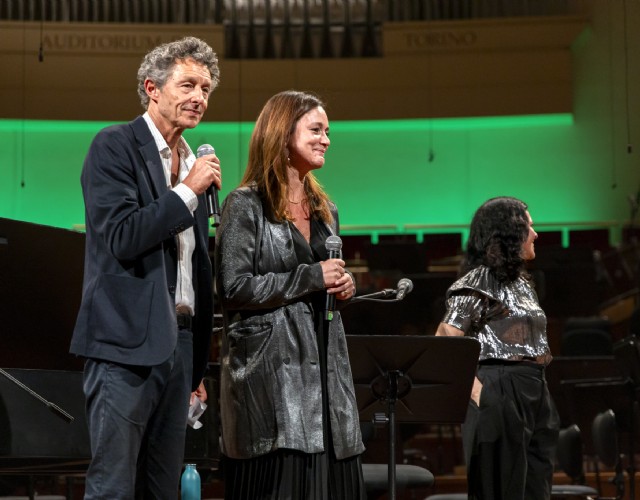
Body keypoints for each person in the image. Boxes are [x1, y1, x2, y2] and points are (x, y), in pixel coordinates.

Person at [70, 36, 221, 499]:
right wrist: (187, 191)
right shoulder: (115, 145)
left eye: (207, 89)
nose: (199, 97)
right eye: (188, 84)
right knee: (114, 486)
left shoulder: (192, 160)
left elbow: (197, 269)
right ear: (152, 88)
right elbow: (122, 236)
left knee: (163, 489)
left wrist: (197, 367)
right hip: (124, 345)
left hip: (179, 346)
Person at [215, 90, 366, 499]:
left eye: (328, 131)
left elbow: (323, 280)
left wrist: (343, 285)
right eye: (316, 130)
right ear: (283, 136)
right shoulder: (245, 205)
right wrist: (311, 277)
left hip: (327, 383)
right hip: (271, 388)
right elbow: (232, 288)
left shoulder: (325, 209)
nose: (326, 139)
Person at [436, 196, 560, 500]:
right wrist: (480, 395)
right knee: (501, 490)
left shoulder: (522, 282)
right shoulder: (478, 282)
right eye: (528, 226)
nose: (535, 233)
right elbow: (445, 338)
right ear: (508, 233)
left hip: (534, 389)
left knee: (536, 489)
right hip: (500, 386)